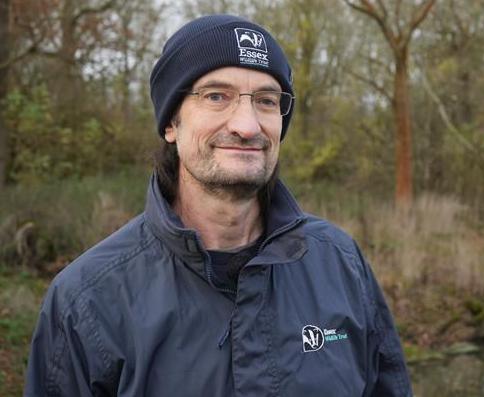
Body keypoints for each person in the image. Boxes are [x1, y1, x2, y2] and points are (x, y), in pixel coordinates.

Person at [24, 14, 412, 397]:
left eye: (265, 100)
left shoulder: (340, 263)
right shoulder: (87, 299)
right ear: (171, 123)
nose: (247, 125)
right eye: (216, 96)